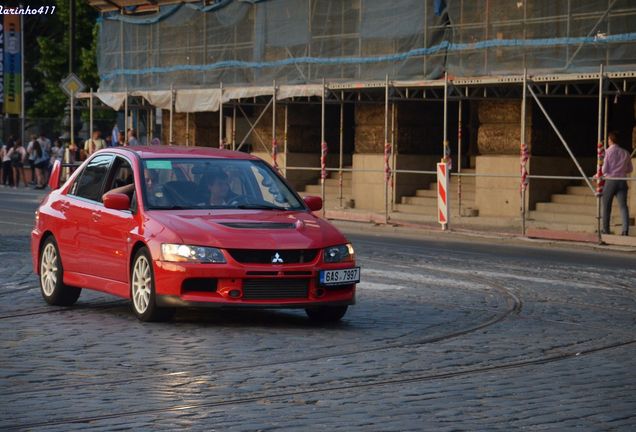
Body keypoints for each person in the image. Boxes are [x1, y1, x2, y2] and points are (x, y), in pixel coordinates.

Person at [602, 131, 633, 236]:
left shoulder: (607, 152)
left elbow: (604, 169)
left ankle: (606, 230)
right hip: (622, 181)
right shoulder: (626, 152)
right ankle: (625, 230)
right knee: (623, 206)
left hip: (611, 180)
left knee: (606, 205)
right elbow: (630, 169)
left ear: (610, 140)